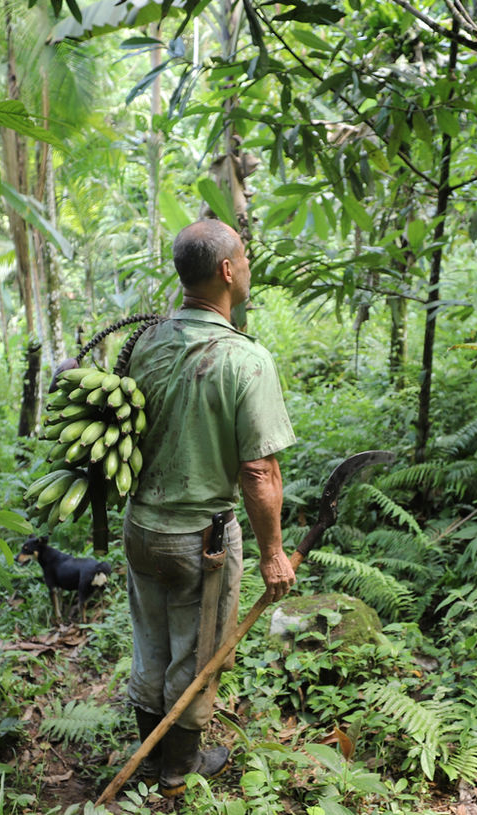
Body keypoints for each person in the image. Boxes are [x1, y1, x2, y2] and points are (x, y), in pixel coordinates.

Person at [122, 219, 297, 797]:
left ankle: (150, 754)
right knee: (198, 656)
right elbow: (258, 471)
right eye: (243, 256)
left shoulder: (144, 341)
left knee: (150, 641)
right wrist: (273, 552)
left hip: (140, 528)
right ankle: (176, 770)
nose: (246, 265)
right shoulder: (246, 360)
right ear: (227, 270)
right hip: (203, 538)